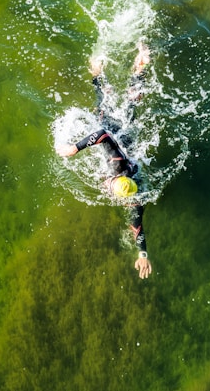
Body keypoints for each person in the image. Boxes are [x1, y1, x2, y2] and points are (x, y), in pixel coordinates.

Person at [56, 43, 152, 279]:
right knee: (109, 103)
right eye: (110, 186)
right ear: (116, 178)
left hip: (128, 141)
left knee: (131, 103)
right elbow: (102, 134)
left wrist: (143, 255)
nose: (107, 186)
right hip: (118, 132)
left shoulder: (134, 198)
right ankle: (102, 71)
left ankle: (140, 66)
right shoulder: (117, 166)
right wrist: (74, 149)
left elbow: (137, 227)